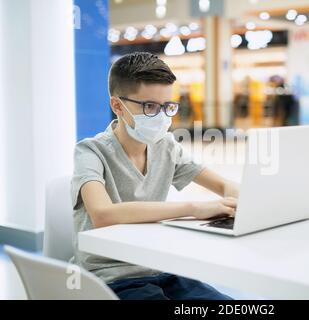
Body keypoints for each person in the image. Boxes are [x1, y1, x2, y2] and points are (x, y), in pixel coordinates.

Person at [70, 52, 239, 300]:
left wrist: (246, 199)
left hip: (160, 267)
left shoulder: (166, 146)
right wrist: (193, 207)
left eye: (167, 107)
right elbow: (103, 215)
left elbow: (224, 185)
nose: (162, 117)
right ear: (117, 105)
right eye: (150, 106)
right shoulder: (90, 151)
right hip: (111, 277)